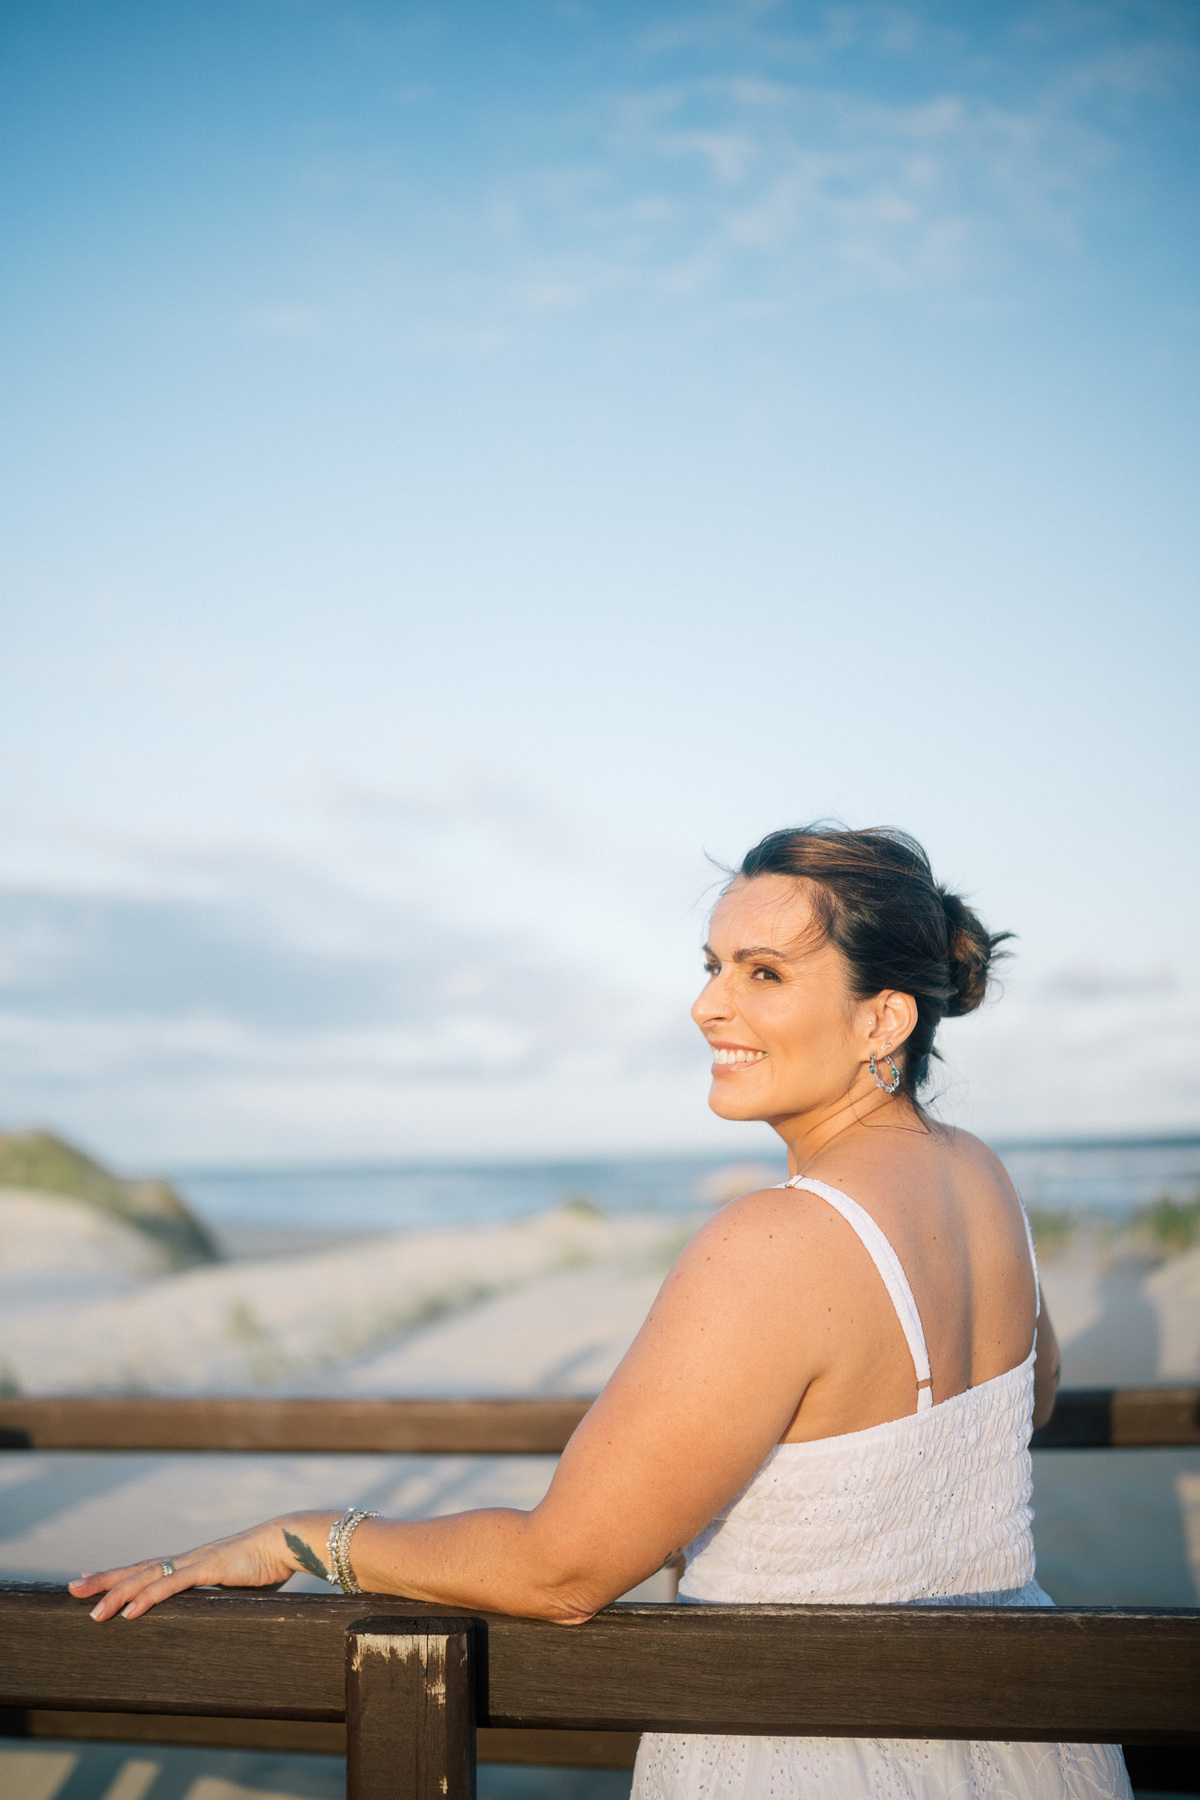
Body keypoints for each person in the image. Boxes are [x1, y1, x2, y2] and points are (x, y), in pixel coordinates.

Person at [72, 824, 1131, 1799]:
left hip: (806, 1744)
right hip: (1022, 1735)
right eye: (713, 967)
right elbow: (1017, 1406)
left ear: (883, 1017)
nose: (709, 1005)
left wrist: (303, 1538)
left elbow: (566, 1572)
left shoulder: (776, 1238)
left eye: (763, 973)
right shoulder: (981, 1176)